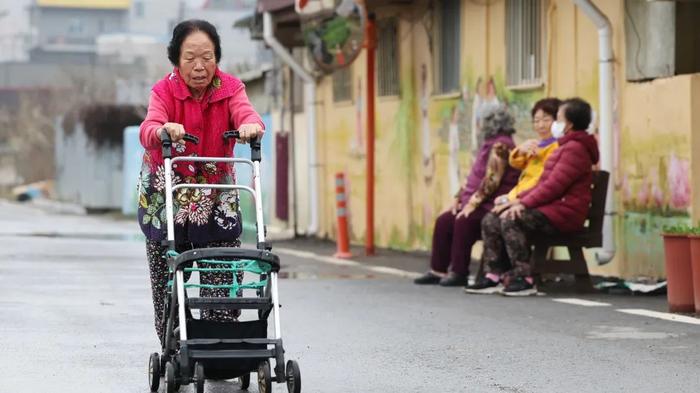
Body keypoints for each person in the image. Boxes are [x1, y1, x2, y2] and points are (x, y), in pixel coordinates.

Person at [137, 20, 264, 345]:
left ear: (217, 58)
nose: (199, 66)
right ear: (176, 59)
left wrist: (250, 126)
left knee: (221, 279)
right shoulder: (163, 91)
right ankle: (172, 345)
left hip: (215, 199)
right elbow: (148, 127)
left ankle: (219, 347)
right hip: (167, 198)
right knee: (167, 283)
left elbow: (247, 114)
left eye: (207, 57)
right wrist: (163, 130)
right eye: (190, 57)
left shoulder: (231, 89)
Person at [466, 98, 599, 296]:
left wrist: (522, 203)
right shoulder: (565, 147)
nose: (554, 124)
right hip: (551, 209)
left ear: (569, 124)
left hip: (564, 215)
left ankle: (524, 277)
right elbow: (542, 183)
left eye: (558, 119)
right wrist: (513, 201)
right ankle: (494, 274)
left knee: (511, 219)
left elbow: (553, 187)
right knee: (491, 219)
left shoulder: (575, 150)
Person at [414, 107, 520, 287]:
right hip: (474, 201)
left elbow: (491, 181)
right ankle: (437, 270)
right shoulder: (488, 144)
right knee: (444, 221)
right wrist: (458, 198)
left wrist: (472, 204)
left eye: (481, 122)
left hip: (490, 204)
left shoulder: (501, 145)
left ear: (491, 124)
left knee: (464, 221)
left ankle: (459, 272)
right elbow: (473, 176)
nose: (478, 126)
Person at [493, 98, 561, 207]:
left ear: (558, 121)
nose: (541, 125)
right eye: (536, 121)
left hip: (532, 198)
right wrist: (520, 150)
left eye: (546, 120)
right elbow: (516, 163)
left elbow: (541, 180)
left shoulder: (558, 146)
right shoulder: (538, 144)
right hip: (521, 193)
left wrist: (513, 198)